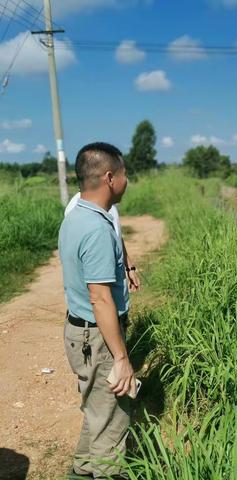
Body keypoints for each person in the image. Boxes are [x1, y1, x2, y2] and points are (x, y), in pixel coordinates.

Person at [59, 142, 135, 479]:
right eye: (124, 174)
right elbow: (100, 298)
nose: (127, 181)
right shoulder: (97, 230)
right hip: (98, 338)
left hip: (80, 333)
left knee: (97, 410)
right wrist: (121, 358)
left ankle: (81, 468)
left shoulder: (76, 216)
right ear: (109, 178)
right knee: (113, 422)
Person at [65, 192, 140, 293]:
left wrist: (129, 267)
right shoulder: (76, 208)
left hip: (115, 279)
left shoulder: (107, 202)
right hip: (98, 285)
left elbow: (116, 236)